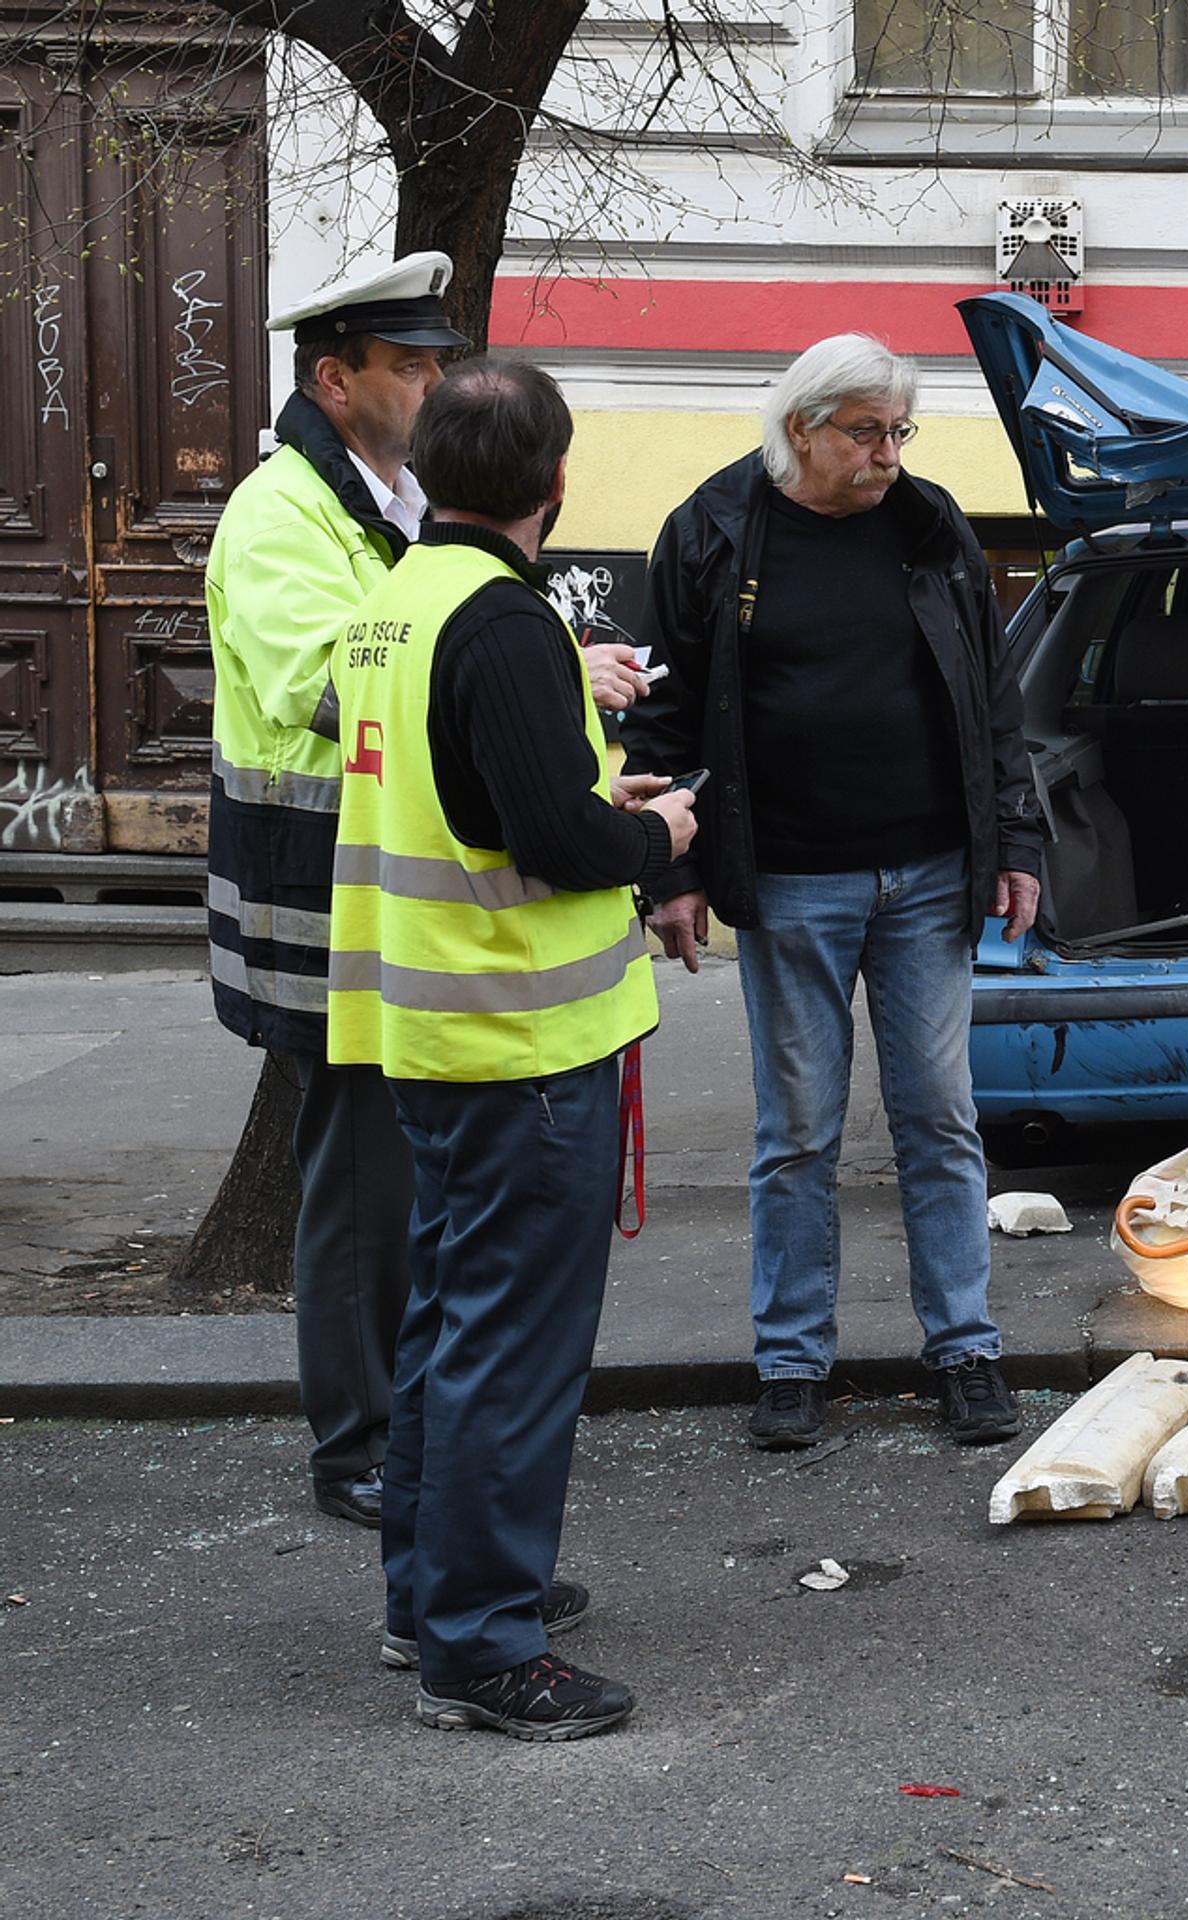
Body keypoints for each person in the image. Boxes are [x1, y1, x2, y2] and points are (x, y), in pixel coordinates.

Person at [328, 356, 696, 1740]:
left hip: (435, 1029)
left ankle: (430, 1601)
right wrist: (654, 832)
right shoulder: (508, 622)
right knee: (512, 1352)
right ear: (556, 479)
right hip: (523, 1040)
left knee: (448, 1326)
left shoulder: (395, 603)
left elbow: (477, 802)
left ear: (426, 470)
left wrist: (595, 791)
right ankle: (482, 1645)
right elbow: (548, 838)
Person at [623, 334, 1043, 1453]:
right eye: (866, 433)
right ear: (800, 427)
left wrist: (1017, 841)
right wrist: (671, 873)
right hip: (790, 878)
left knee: (940, 1118)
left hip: (931, 874)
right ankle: (791, 1361)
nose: (887, 455)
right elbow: (663, 715)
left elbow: (993, 700)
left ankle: (966, 1349)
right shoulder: (713, 529)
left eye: (899, 432)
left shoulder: (931, 523)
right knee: (798, 1130)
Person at [205, 254, 463, 1528]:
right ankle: (357, 1449)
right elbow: (325, 683)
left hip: (379, 890)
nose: (432, 387)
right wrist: (496, 684)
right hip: (317, 898)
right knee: (361, 1188)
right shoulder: (280, 511)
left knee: (396, 1181)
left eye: (436, 365)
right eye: (407, 367)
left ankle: (396, 1423)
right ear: (334, 380)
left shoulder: (391, 502)